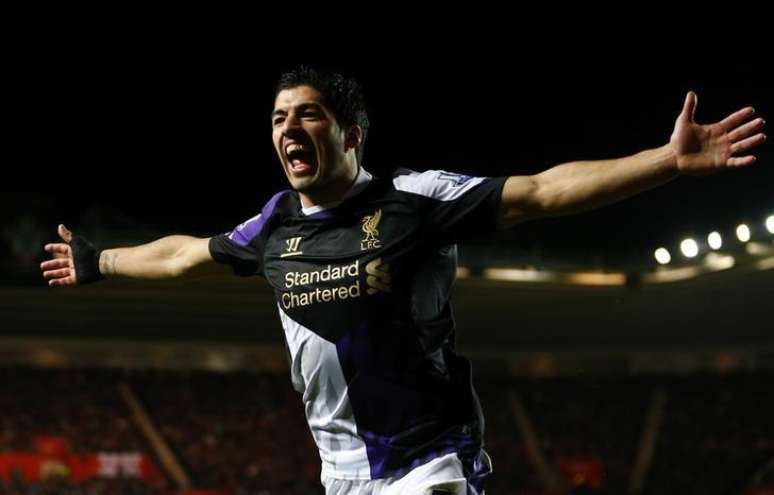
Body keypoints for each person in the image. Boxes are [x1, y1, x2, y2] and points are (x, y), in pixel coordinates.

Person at [40, 66, 766, 494]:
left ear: (351, 134)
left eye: (309, 115)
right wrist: (99, 261)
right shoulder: (272, 226)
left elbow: (543, 190)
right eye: (277, 117)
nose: (289, 127)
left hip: (426, 464)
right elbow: (178, 255)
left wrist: (664, 162)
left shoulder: (416, 201)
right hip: (341, 475)